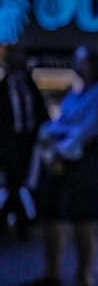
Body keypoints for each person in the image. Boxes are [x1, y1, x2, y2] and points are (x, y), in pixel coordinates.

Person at [23, 46, 98, 286]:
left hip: (83, 160)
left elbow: (89, 130)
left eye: (83, 61)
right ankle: (52, 272)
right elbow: (60, 123)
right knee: (51, 214)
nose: (78, 65)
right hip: (60, 158)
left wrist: (59, 148)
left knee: (82, 218)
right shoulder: (75, 94)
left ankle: (84, 276)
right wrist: (50, 138)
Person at [0, 43, 46, 239]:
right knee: (14, 181)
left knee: (19, 182)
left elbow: (40, 111)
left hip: (28, 140)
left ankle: (8, 220)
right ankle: (22, 223)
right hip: (8, 141)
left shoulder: (29, 85)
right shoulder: (4, 86)